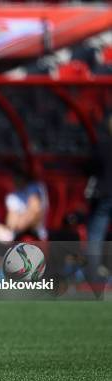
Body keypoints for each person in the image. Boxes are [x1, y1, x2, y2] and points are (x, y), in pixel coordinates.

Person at [86, 114, 112, 296]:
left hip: (103, 195)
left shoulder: (102, 146)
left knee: (95, 238)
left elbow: (89, 167)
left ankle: (94, 282)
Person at [0, 165, 48, 243]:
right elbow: (11, 223)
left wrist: (21, 222)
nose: (16, 179)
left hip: (35, 235)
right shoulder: (13, 196)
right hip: (16, 235)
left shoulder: (35, 188)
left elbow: (34, 213)